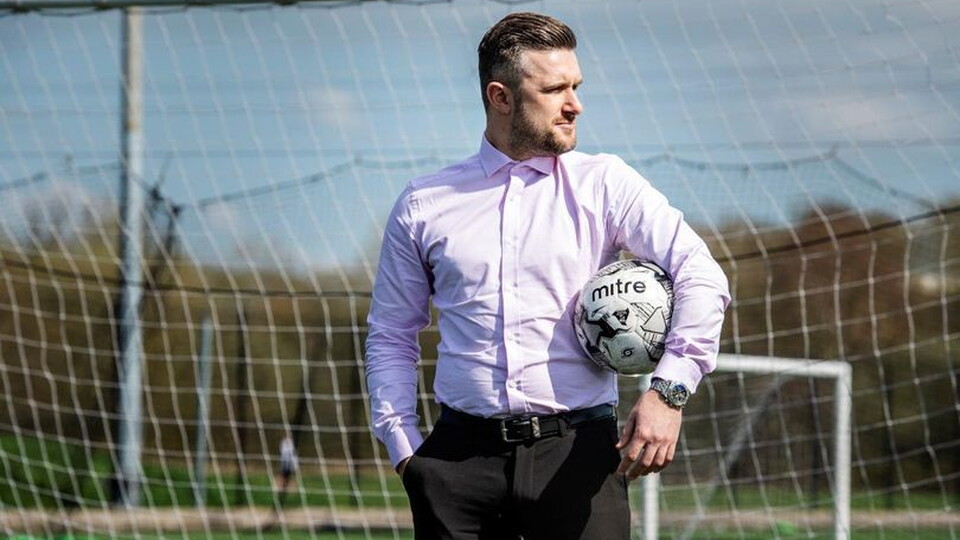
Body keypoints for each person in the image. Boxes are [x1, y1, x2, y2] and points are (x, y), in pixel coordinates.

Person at [365, 12, 730, 540]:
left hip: (578, 458)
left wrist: (668, 392)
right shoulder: (424, 203)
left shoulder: (605, 184)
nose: (574, 104)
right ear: (501, 97)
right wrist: (407, 452)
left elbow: (700, 274)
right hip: (457, 466)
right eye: (555, 89)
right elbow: (391, 334)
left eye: (575, 86)